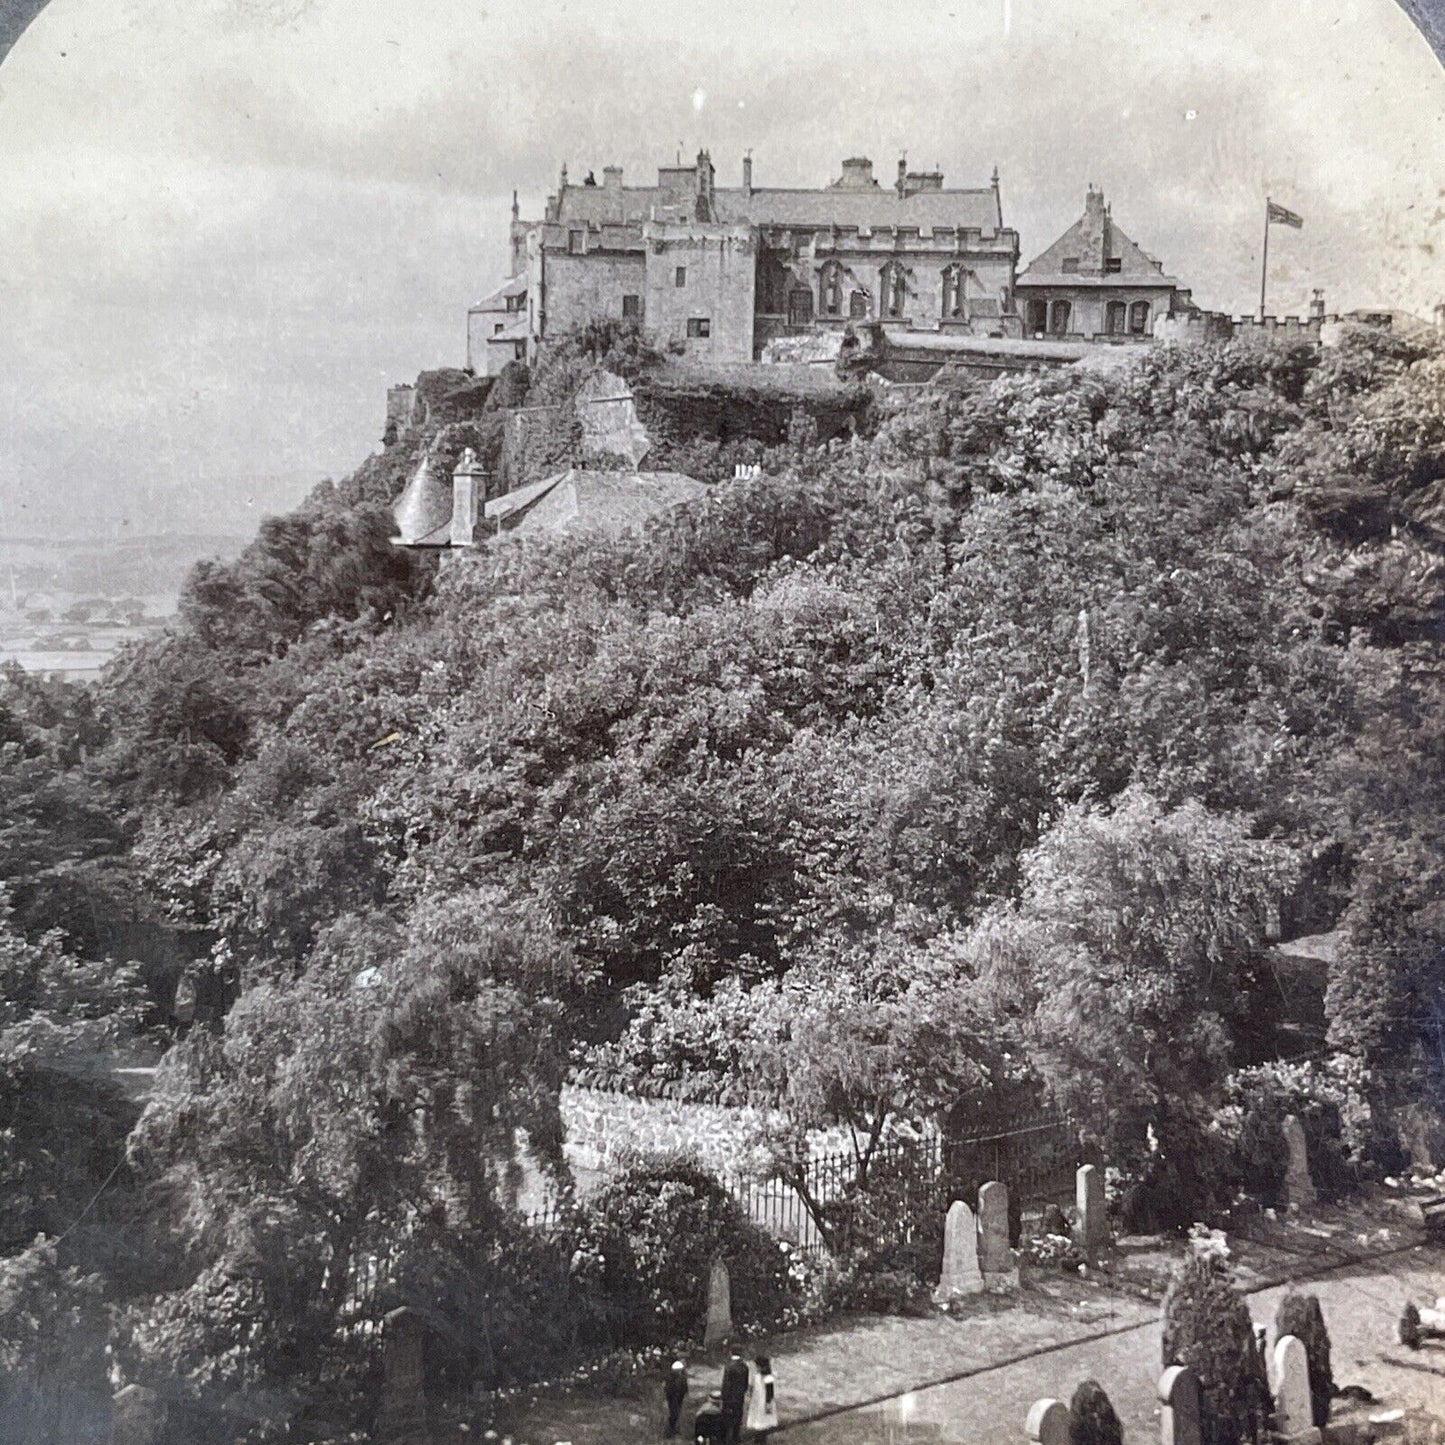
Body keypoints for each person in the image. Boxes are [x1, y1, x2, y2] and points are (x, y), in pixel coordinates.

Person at [720, 1352, 750, 1445]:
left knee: (726, 1415)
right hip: (739, 1396)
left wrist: (723, 1395)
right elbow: (745, 1383)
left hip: (729, 1396)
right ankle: (735, 1437)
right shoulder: (745, 1366)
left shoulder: (728, 1366)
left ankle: (724, 1437)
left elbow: (726, 1383)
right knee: (737, 1416)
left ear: (731, 1352)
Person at [745, 1354, 777, 1438]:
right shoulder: (756, 1376)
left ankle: (762, 1437)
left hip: (764, 1401)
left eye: (757, 1366)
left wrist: (768, 1404)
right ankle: (758, 1436)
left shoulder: (768, 1378)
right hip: (757, 1400)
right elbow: (751, 1388)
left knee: (763, 1419)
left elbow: (770, 1393)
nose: (756, 1368)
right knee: (757, 1418)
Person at [664, 1359, 688, 1438]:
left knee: (676, 1413)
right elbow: (668, 1389)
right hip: (674, 1397)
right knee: (674, 1413)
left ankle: (673, 1429)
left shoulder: (681, 1377)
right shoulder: (672, 1378)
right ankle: (671, 1430)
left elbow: (684, 1388)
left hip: (678, 1397)